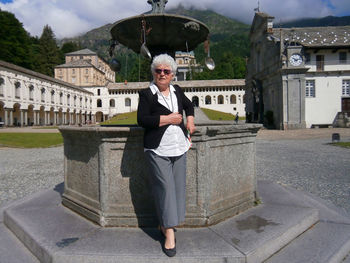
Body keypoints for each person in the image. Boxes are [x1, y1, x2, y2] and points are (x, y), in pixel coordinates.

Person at [137, 54, 195, 257]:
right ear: (153, 73)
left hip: (179, 146)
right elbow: (142, 119)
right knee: (166, 187)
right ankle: (169, 232)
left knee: (178, 188)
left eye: (166, 71)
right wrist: (168, 118)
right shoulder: (147, 94)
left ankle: (167, 224)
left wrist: (190, 121)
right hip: (157, 148)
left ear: (172, 75)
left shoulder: (177, 90)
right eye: (158, 70)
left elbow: (189, 105)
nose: (162, 74)